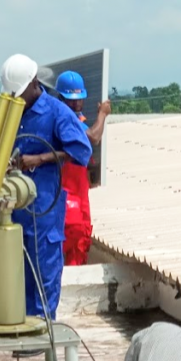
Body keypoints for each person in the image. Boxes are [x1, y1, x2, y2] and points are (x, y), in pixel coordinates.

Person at [0, 54, 92, 351]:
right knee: (17, 274)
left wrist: (39, 158)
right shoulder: (11, 110)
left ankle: (41, 336)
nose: (17, 97)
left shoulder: (57, 112)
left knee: (44, 273)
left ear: (35, 83)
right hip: (14, 210)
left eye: (21, 92)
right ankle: (22, 333)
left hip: (45, 209)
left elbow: (82, 150)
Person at [53, 71, 111, 266]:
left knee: (81, 239)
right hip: (67, 193)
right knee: (72, 232)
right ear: (61, 98)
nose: (77, 104)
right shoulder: (62, 121)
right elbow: (93, 137)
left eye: (79, 99)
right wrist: (103, 114)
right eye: (72, 100)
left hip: (80, 192)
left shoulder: (77, 119)